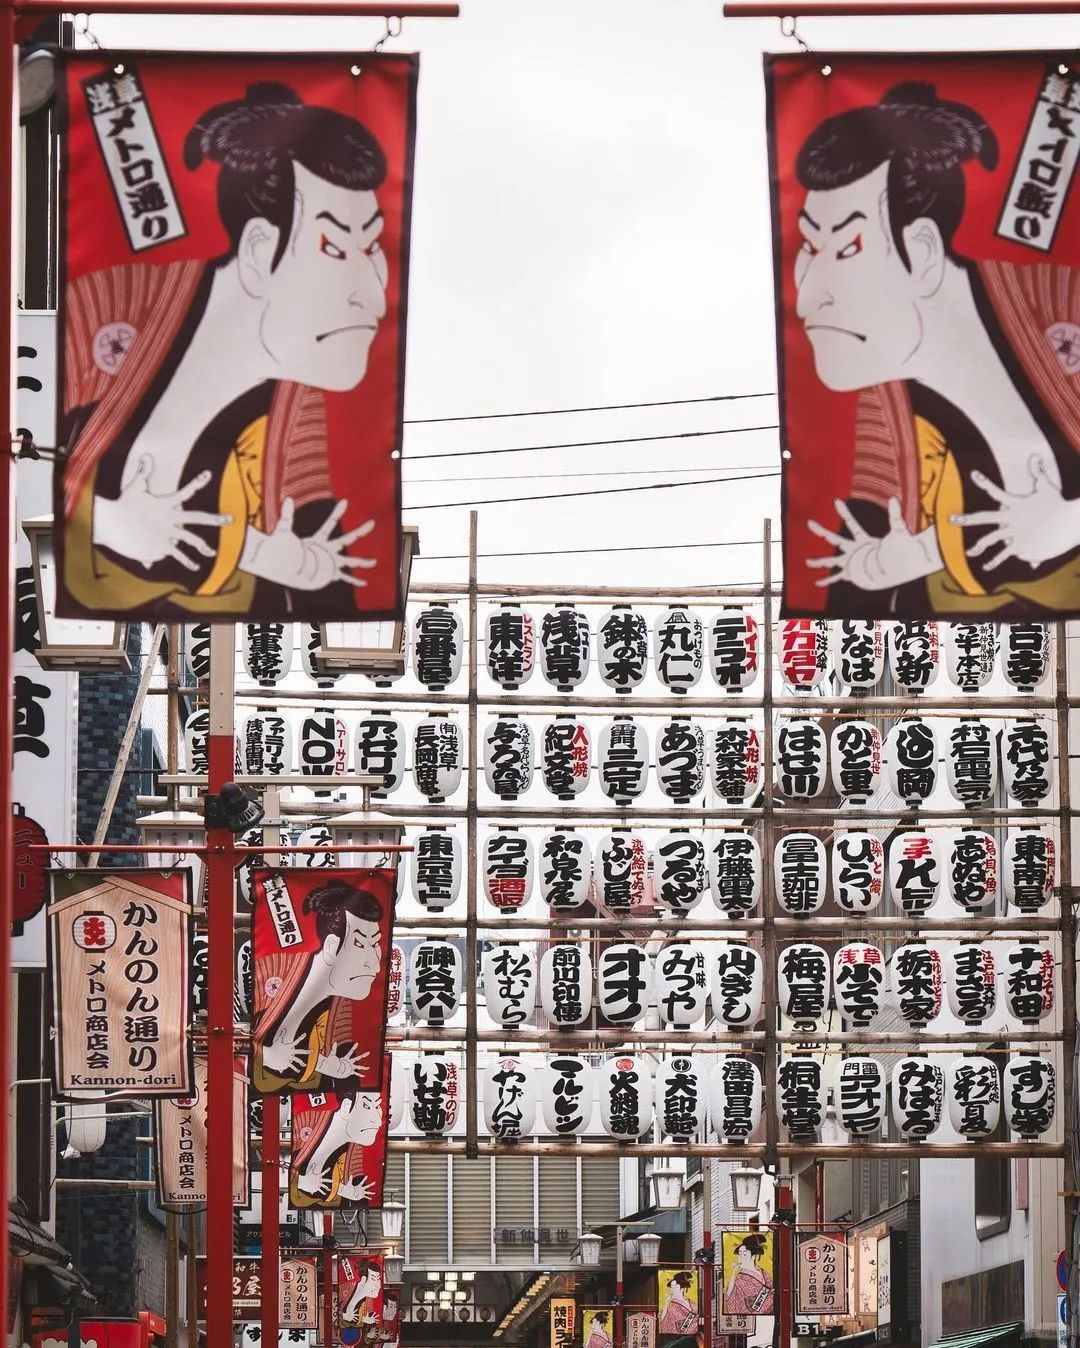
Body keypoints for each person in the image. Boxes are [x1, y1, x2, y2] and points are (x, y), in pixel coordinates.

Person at [62, 80, 387, 617]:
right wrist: (109, 521)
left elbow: (314, 559)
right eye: (334, 246)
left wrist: (293, 566)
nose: (373, 295)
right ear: (259, 250)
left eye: (372, 245)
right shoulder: (109, 309)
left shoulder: (295, 404)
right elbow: (26, 465)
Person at [797, 82, 1080, 614]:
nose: (810, 292)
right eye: (810, 245)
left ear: (922, 250)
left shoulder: (1058, 303)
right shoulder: (885, 399)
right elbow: (884, 537)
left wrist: (1068, 523)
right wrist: (897, 563)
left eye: (848, 246)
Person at [255, 881, 384, 1092]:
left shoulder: (342, 1003)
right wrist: (266, 1057)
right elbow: (230, 1035)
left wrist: (328, 1067)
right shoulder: (274, 970)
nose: (373, 962)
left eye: (376, 944)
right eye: (360, 944)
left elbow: (312, 1060)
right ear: (332, 945)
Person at [291, 1089, 384, 1207]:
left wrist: (350, 1192)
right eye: (366, 1105)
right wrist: (301, 1181)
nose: (378, 1121)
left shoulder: (355, 1147)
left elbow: (351, 1190)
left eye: (378, 1106)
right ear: (346, 1107)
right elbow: (279, 1169)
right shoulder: (307, 1120)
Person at [724, 1234, 774, 1315]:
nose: (740, 1257)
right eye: (740, 1254)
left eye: (744, 1254)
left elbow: (772, 1292)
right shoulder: (740, 1277)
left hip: (769, 1314)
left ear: (753, 1256)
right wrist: (734, 1272)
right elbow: (730, 1296)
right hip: (750, 1314)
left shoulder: (764, 1273)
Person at [658, 1271, 698, 1335]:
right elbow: (663, 1320)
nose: (672, 1289)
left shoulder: (691, 1302)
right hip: (678, 1334)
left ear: (682, 1288)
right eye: (671, 1287)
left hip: (693, 1333)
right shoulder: (671, 1305)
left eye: (675, 1287)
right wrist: (666, 1303)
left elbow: (696, 1315)